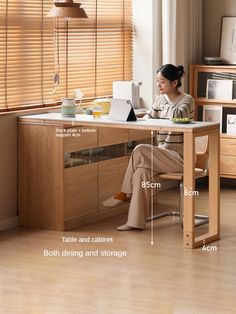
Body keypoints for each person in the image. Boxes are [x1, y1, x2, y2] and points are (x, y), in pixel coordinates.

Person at [103, 64, 195, 231]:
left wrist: (162, 101)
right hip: (162, 155)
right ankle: (135, 223)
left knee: (139, 150)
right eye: (157, 82)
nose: (159, 86)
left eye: (162, 82)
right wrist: (129, 116)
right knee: (141, 172)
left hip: (180, 158)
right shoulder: (160, 100)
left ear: (174, 83)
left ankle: (124, 193)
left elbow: (177, 115)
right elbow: (148, 119)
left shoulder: (187, 100)